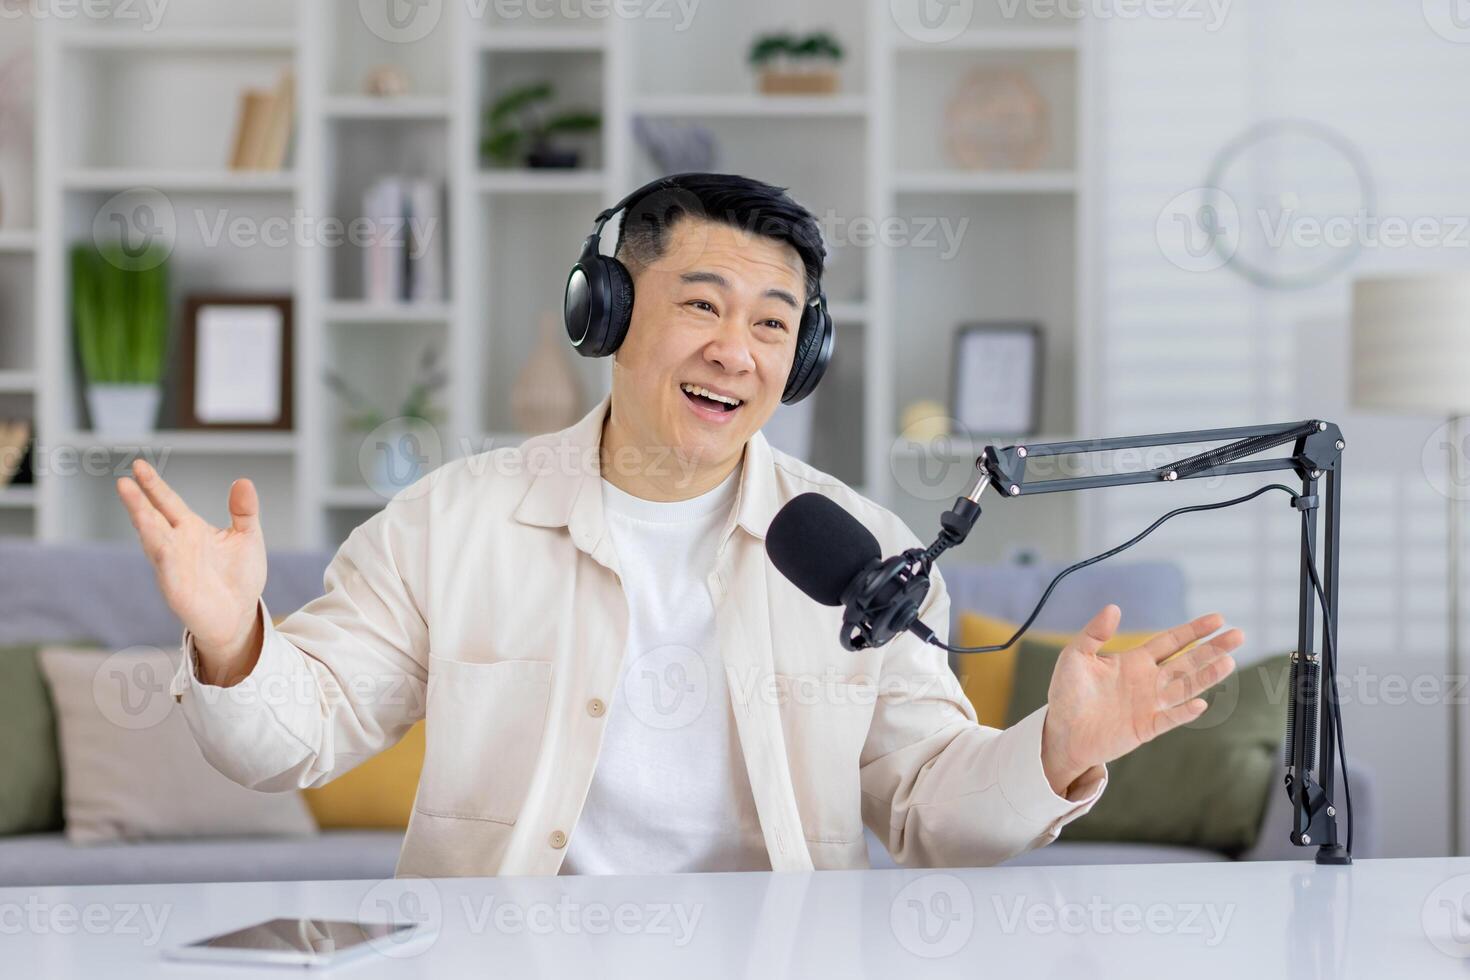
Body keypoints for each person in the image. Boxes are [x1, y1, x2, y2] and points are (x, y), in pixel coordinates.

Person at [116, 172, 1242, 877]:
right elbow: (290, 743)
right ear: (604, 313)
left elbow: (931, 810)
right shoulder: (451, 520)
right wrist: (232, 639)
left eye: (772, 322)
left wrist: (1054, 751)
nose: (734, 350)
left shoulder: (853, 541)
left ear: (799, 360)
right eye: (701, 303)